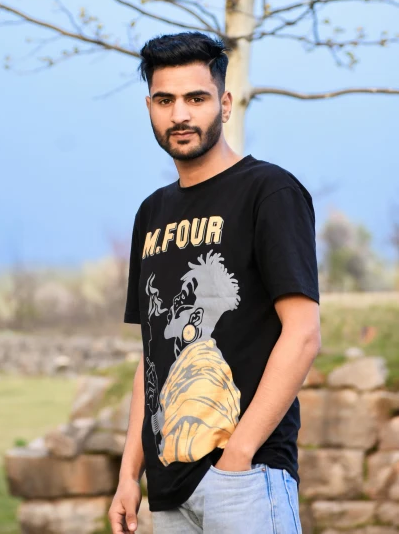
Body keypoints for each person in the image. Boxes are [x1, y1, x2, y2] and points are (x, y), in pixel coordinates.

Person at [108, 32, 321, 534]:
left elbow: (304, 333)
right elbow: (152, 355)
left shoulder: (269, 192)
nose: (179, 114)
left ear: (224, 104)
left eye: (195, 98)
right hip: (167, 490)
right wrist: (128, 473)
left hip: (244, 476)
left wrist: (239, 455)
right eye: (165, 100)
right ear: (150, 108)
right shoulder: (152, 213)